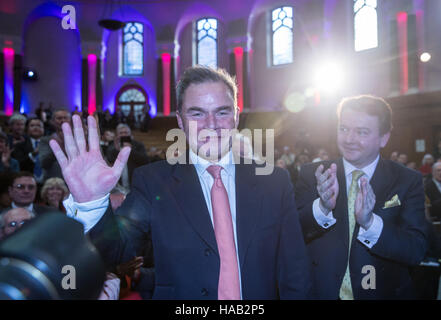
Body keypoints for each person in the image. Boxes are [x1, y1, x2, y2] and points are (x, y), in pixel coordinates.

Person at [50, 66, 311, 300]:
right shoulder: (153, 181)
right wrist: (92, 203)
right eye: (197, 113)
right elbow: (119, 251)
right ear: (179, 121)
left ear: (236, 116)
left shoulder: (274, 182)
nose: (211, 125)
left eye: (221, 112)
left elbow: (294, 271)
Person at [295, 95, 429, 299]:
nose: (349, 139)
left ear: (384, 138)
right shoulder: (314, 174)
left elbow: (415, 251)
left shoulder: (407, 181)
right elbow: (292, 235)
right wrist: (322, 208)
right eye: (344, 129)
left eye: (362, 132)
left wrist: (370, 223)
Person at [105, 124, 149, 191]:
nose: (123, 135)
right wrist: (116, 150)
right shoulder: (113, 146)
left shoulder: (138, 145)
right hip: (118, 186)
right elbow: (109, 161)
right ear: (117, 135)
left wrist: (130, 150)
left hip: (135, 184)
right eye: (121, 133)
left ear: (130, 134)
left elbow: (145, 160)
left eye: (126, 133)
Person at [12, 118, 45, 183]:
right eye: (32, 125)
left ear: (43, 129)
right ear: (27, 129)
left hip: (48, 183)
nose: (35, 128)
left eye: (39, 125)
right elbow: (19, 163)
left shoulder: (50, 144)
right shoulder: (19, 145)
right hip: (26, 182)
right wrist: (33, 154)